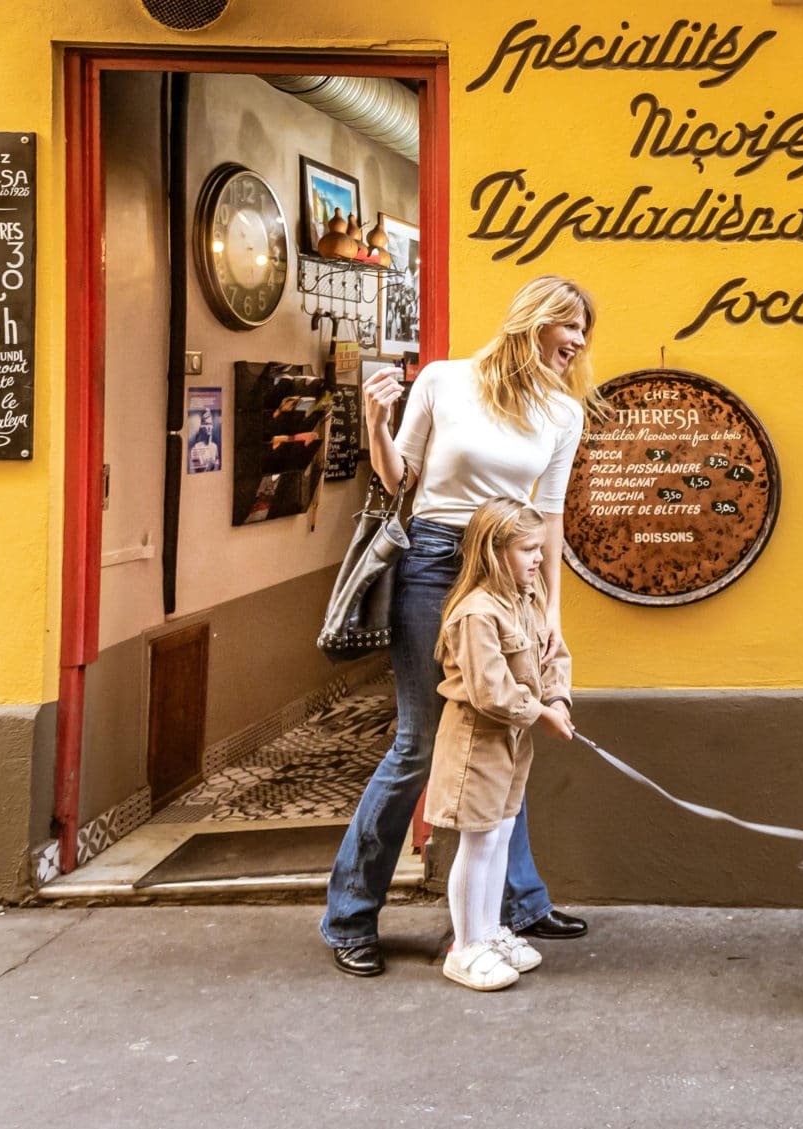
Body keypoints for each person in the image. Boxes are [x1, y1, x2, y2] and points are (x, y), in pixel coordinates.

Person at [320, 275, 600, 977]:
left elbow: (550, 518)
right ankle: (349, 915)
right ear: (534, 320)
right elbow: (400, 480)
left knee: (504, 730)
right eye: (570, 325)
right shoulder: (444, 381)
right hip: (433, 561)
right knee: (419, 743)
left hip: (507, 574)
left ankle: (515, 905)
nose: (578, 341)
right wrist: (375, 425)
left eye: (584, 330)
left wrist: (551, 612)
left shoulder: (563, 412)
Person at [424, 498, 576, 991]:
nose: (539, 559)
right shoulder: (476, 613)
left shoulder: (528, 598)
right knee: (480, 839)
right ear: (494, 551)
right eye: (528, 549)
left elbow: (554, 655)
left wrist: (558, 699)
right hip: (477, 741)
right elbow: (491, 691)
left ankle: (488, 932)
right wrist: (541, 715)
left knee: (502, 834)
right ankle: (465, 948)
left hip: (513, 739)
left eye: (540, 548)